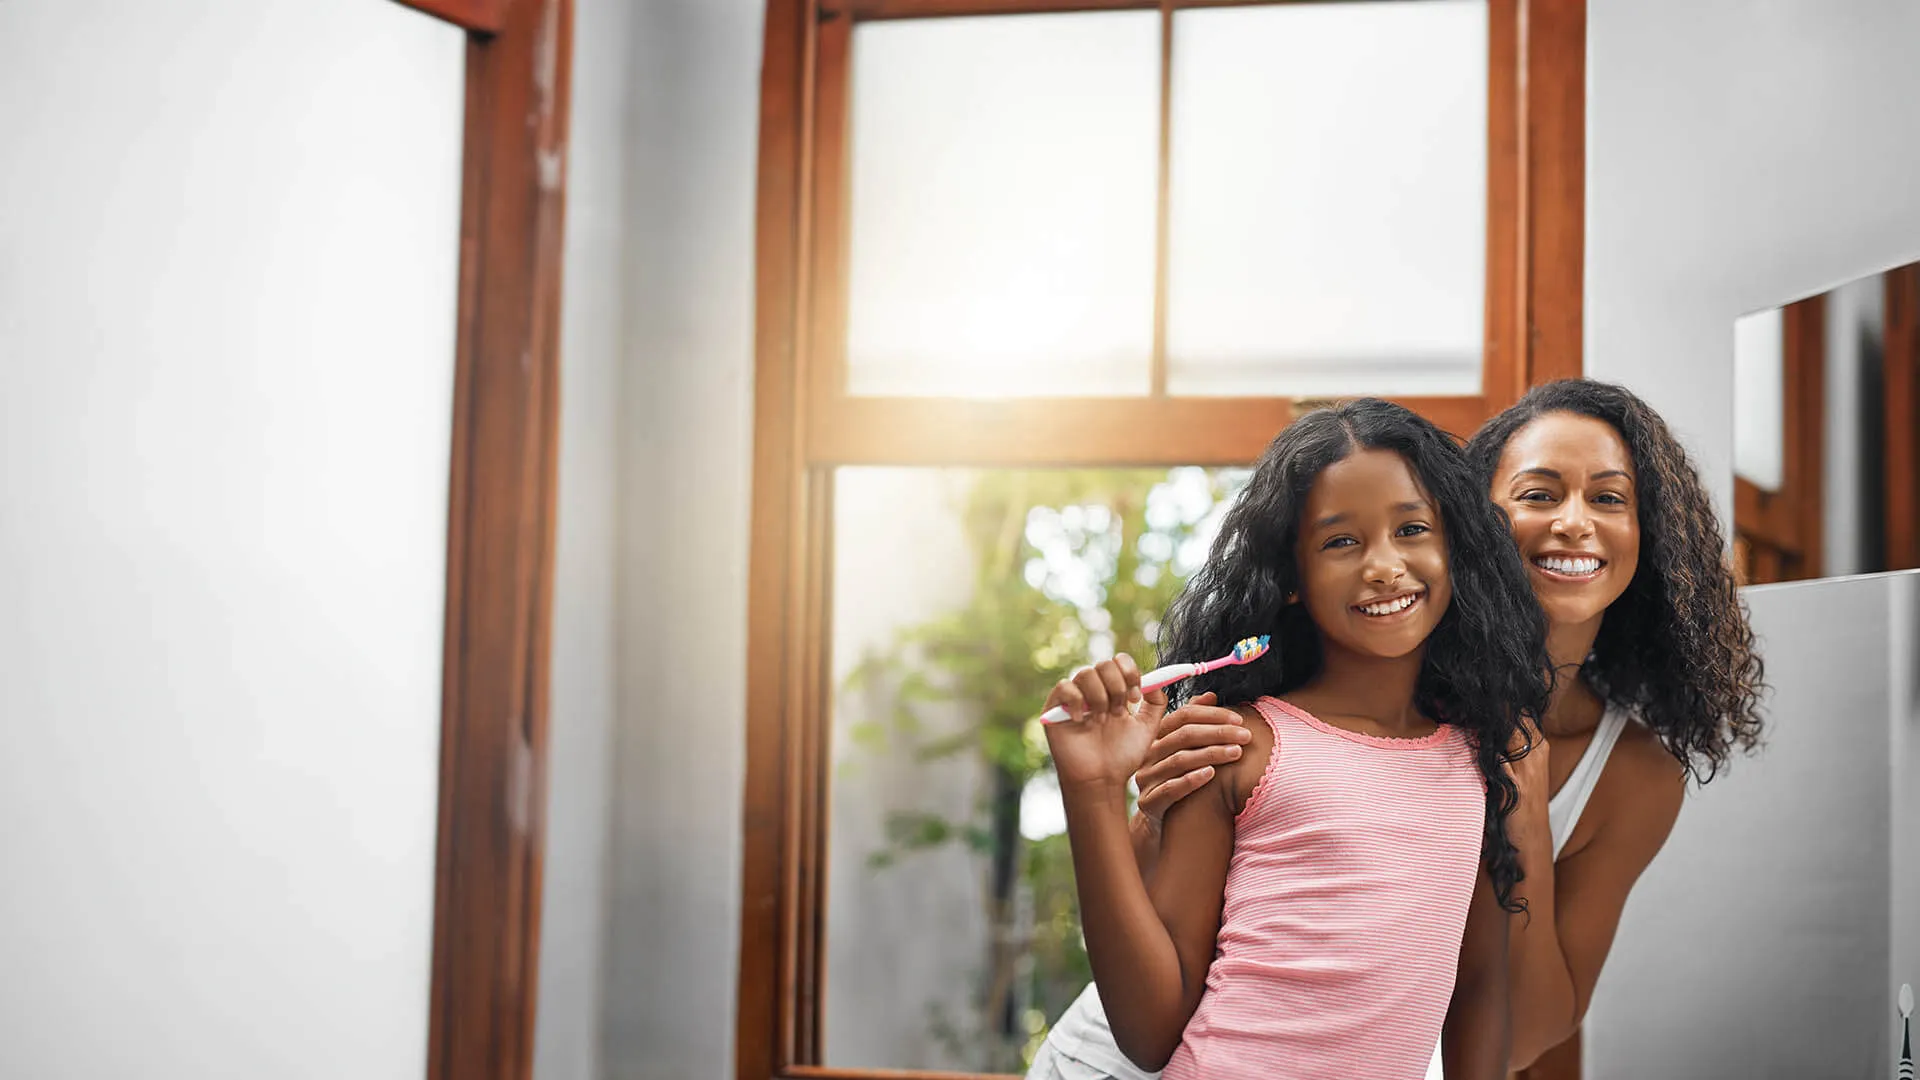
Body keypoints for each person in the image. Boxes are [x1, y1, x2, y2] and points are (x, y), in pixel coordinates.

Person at [1031, 379, 1765, 1079]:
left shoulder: (1536, 760)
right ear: (1477, 522)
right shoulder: (1291, 710)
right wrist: (1130, 810)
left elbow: (1506, 1015)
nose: (1574, 521)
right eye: (1539, 493)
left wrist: (1525, 820)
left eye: (1609, 497)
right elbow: (1167, 954)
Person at [1037, 398, 1552, 1080]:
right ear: (1291, 581)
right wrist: (1094, 793)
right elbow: (1149, 1032)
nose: (1383, 565)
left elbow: (1481, 987)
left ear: (1455, 545)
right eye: (1342, 541)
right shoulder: (1238, 746)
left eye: (1412, 529)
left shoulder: (1484, 758)